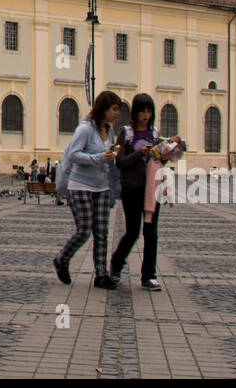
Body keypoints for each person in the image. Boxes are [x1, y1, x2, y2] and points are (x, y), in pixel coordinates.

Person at [110, 93, 181, 292]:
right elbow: (120, 161)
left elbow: (159, 160)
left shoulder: (154, 133)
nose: (145, 115)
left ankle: (148, 276)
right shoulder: (126, 133)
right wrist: (138, 154)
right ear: (135, 112)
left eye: (149, 111)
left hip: (152, 187)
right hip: (131, 188)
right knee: (132, 231)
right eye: (142, 111)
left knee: (151, 233)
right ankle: (116, 264)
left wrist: (167, 154)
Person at [53, 90, 121, 290]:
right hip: (80, 185)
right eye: (114, 109)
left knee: (102, 232)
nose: (117, 113)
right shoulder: (85, 130)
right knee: (84, 230)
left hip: (102, 187)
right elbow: (74, 155)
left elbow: (110, 158)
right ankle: (62, 259)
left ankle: (101, 274)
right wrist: (99, 157)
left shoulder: (110, 131)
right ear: (104, 108)